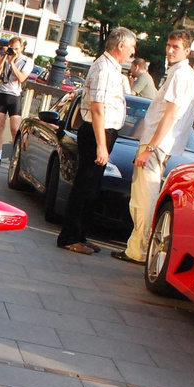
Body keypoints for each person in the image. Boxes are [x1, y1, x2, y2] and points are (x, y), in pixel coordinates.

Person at [119, 29, 194, 264]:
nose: (170, 50)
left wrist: (150, 148)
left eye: (176, 46)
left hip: (157, 144)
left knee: (143, 198)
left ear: (187, 50)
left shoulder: (180, 75)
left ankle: (139, 250)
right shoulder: (183, 74)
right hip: (161, 144)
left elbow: (170, 115)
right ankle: (137, 248)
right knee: (144, 195)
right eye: (169, 45)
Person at [58, 27, 135, 255]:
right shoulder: (103, 68)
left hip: (102, 131)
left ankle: (80, 234)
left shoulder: (111, 68)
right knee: (85, 186)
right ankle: (70, 236)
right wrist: (102, 144)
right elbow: (97, 108)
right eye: (131, 47)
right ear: (120, 46)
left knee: (91, 188)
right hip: (95, 131)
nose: (132, 52)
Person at [0, 36, 32, 166]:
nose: (15, 51)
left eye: (17, 49)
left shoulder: (26, 61)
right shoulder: (6, 58)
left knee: (15, 129)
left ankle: (16, 157)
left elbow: (21, 78)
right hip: (2, 93)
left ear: (22, 48)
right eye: (12, 48)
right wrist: (5, 57)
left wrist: (12, 62)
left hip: (15, 96)